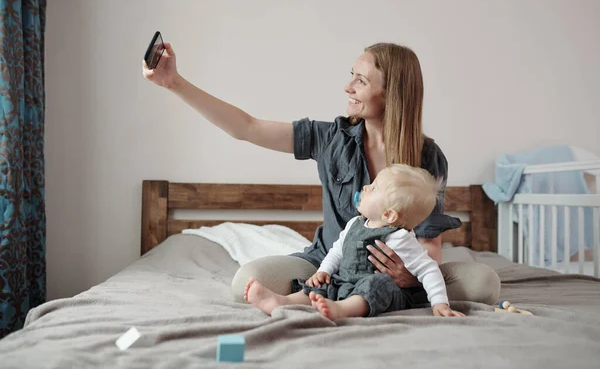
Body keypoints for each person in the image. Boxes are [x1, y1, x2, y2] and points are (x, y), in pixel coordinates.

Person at [142, 41, 501, 306]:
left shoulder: (428, 157)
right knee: (244, 283)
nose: (348, 88)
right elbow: (246, 127)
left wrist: (411, 275)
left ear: (391, 94)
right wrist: (174, 82)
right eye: (352, 77)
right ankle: (346, 296)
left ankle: (386, 296)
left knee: (484, 283)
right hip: (330, 265)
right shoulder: (329, 138)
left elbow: (429, 243)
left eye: (360, 81)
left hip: (399, 273)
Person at [244, 164, 465, 319]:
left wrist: (439, 303)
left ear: (389, 215)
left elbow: (428, 269)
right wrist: (324, 271)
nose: (366, 187)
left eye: (374, 188)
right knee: (320, 285)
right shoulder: (355, 224)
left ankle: (342, 309)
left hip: (378, 290)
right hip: (345, 281)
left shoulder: (399, 238)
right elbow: (337, 251)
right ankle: (282, 302)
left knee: (377, 284)